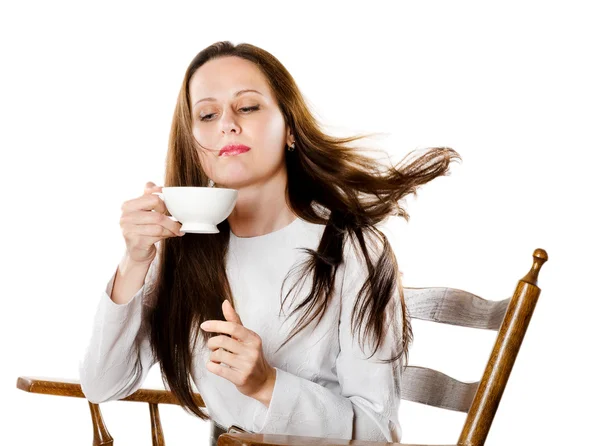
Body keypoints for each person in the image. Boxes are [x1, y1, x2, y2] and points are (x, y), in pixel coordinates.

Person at [78, 41, 461, 443]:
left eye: (247, 107)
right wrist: (135, 260)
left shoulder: (353, 248)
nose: (227, 123)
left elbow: (376, 432)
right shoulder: (182, 247)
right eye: (207, 114)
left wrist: (266, 383)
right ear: (193, 144)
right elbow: (102, 385)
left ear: (290, 128)